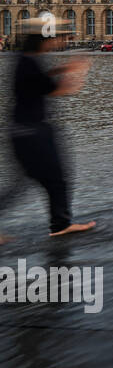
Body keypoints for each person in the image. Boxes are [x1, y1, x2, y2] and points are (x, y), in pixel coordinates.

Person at [2, 17, 96, 237]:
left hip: (24, 130)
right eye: (55, 37)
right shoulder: (30, 63)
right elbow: (61, 90)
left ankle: (61, 224)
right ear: (42, 39)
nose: (58, 41)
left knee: (31, 183)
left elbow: (38, 82)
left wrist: (60, 69)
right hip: (33, 133)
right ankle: (61, 225)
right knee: (55, 180)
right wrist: (77, 69)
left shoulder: (24, 59)